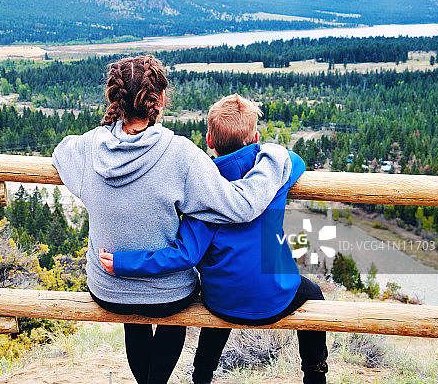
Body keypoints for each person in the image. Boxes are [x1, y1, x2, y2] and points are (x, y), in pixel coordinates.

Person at [51, 57, 294, 384]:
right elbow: (241, 206)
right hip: (168, 294)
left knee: (133, 322)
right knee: (174, 312)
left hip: (108, 287)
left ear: (114, 98)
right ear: (161, 99)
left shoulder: (87, 147)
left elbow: (61, 151)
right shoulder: (179, 153)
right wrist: (275, 156)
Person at [98, 93, 329, 384]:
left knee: (218, 296)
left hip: (222, 302)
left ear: (209, 140)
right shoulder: (273, 175)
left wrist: (124, 262)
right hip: (275, 298)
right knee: (313, 293)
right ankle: (314, 372)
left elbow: (185, 255)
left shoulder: (202, 187)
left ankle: (202, 374)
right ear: (255, 137)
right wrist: (269, 150)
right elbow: (296, 161)